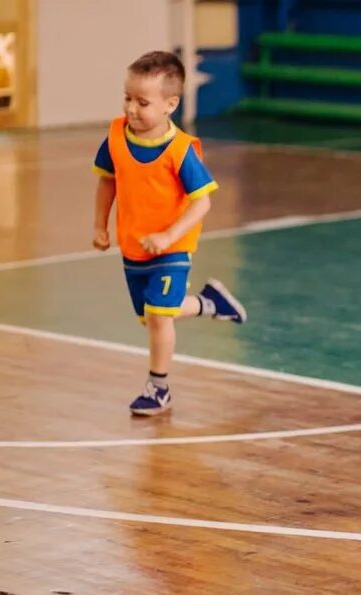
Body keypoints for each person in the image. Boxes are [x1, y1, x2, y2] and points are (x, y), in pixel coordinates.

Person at [92, 50, 245, 416]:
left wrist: (167, 236)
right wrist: (99, 224)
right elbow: (107, 183)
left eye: (142, 102)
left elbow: (202, 203)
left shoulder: (180, 151)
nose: (131, 108)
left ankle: (158, 388)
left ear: (170, 104)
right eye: (127, 98)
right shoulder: (116, 137)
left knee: (160, 316)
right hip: (134, 245)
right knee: (154, 315)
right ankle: (209, 302)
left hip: (172, 247)